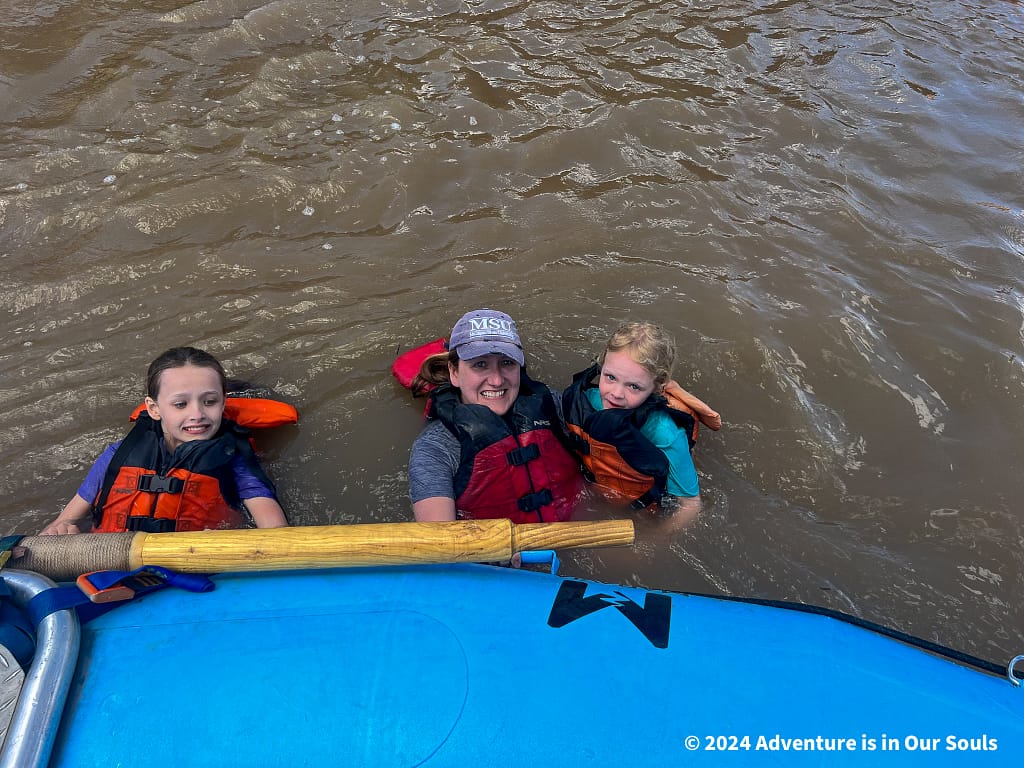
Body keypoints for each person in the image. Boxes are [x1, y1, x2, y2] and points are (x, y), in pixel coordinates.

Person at [39, 347, 289, 535]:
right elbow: (64, 521)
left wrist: (229, 545)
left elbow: (275, 530)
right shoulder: (118, 454)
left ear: (224, 402)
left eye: (210, 401)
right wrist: (61, 532)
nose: (197, 414)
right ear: (154, 408)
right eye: (180, 404)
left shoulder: (234, 460)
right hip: (113, 562)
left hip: (197, 571)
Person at [408, 309, 583, 523]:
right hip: (494, 555)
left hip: (573, 533)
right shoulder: (435, 448)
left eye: (507, 363)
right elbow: (440, 544)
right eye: (480, 364)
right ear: (454, 372)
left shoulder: (554, 406)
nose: (497, 381)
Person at [561, 321, 721, 513]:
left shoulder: (666, 433)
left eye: (634, 386)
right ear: (601, 366)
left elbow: (691, 506)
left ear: (655, 387)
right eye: (610, 377)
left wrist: (652, 540)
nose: (616, 394)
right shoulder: (587, 401)